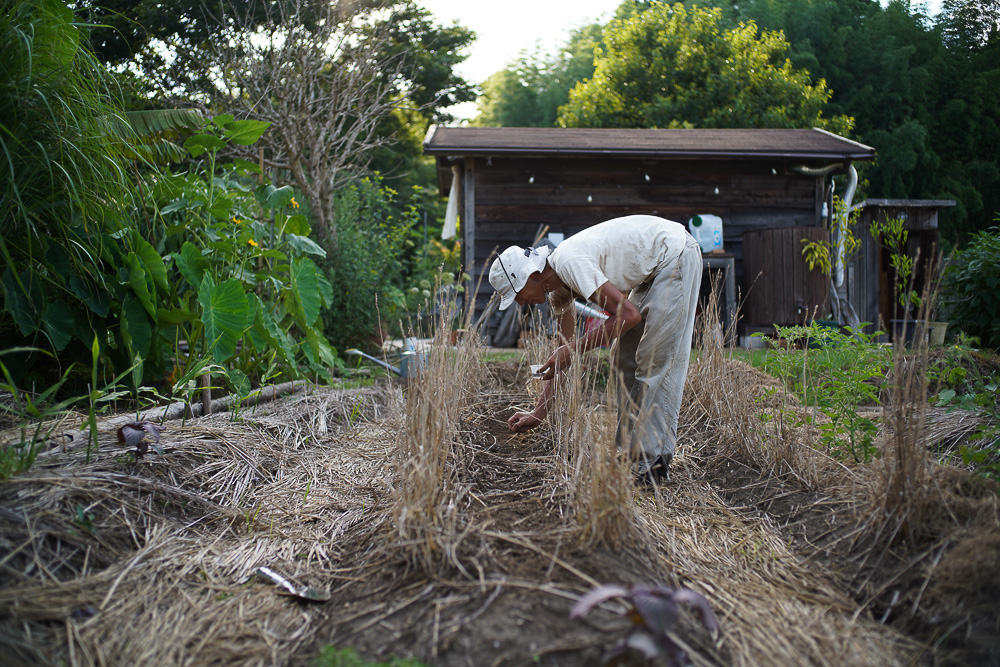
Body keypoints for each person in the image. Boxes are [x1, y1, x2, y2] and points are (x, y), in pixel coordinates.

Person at [489, 215, 703, 484]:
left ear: (529, 276)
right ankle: (631, 453)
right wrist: (539, 412)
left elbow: (628, 316)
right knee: (623, 357)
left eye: (517, 294)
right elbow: (564, 355)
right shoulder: (559, 293)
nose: (520, 303)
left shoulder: (569, 262)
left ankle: (652, 464)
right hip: (654, 268)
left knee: (654, 358)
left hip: (675, 253)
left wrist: (575, 349)